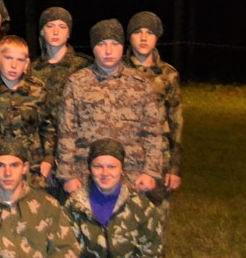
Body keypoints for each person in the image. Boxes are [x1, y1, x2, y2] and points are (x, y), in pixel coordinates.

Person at [57, 19, 167, 201]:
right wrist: (68, 175)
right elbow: (66, 132)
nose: (108, 51)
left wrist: (150, 171)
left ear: (123, 46)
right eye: (101, 44)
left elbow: (153, 132)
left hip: (132, 175)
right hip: (86, 175)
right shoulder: (76, 83)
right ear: (93, 48)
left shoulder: (141, 85)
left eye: (114, 44)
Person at [0, 35, 56, 187]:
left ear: (26, 64)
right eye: (8, 58)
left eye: (20, 60)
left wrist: (48, 158)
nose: (13, 65)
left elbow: (47, 127)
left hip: (32, 168)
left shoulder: (37, 91)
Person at [124, 11, 184, 196]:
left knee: (156, 210)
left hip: (159, 158)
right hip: (125, 158)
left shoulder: (168, 75)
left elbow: (176, 122)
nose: (143, 38)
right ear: (129, 37)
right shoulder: (118, 70)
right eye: (138, 32)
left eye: (149, 32)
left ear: (157, 37)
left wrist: (175, 168)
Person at [28, 7, 92, 117]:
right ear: (42, 31)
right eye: (50, 26)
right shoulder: (32, 70)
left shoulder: (84, 66)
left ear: (68, 33)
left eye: (62, 27)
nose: (56, 32)